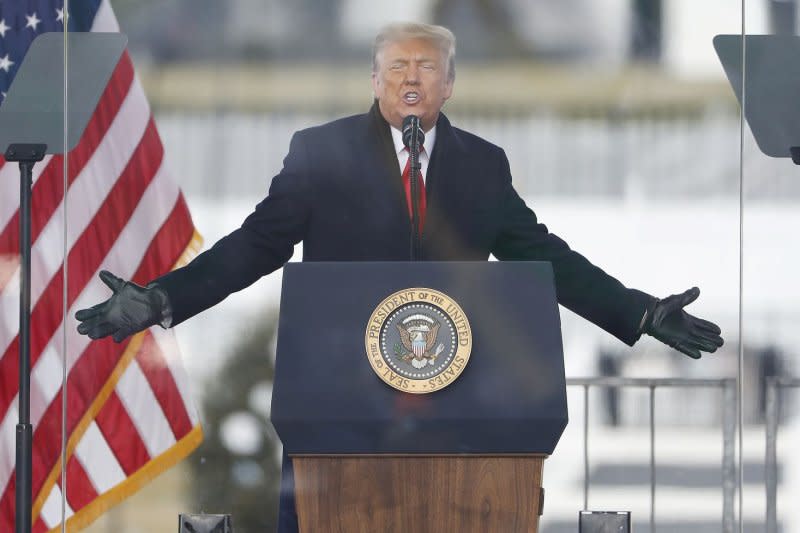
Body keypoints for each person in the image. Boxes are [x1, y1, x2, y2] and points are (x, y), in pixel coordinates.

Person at [75, 22, 723, 532]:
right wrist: (163, 297)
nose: (411, 78)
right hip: (336, 403)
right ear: (375, 78)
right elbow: (255, 246)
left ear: (449, 84)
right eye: (397, 67)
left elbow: (544, 256)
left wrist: (637, 313)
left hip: (456, 411)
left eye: (426, 67)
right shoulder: (319, 153)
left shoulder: (482, 165)